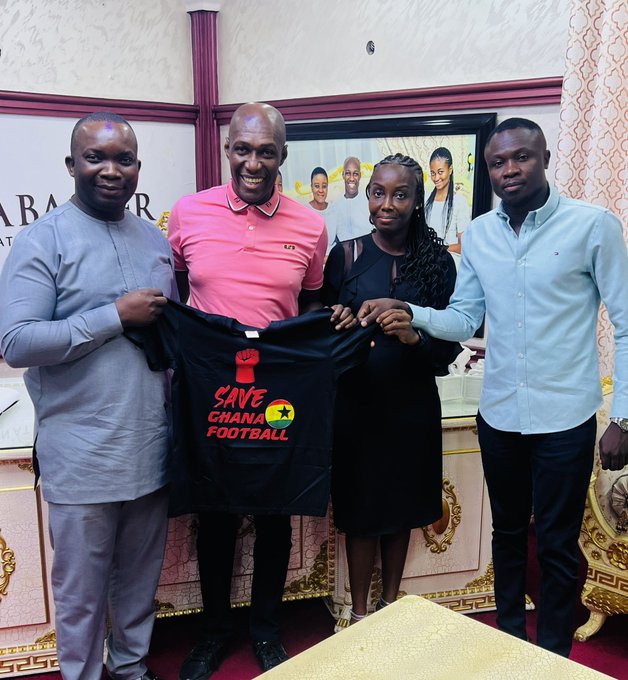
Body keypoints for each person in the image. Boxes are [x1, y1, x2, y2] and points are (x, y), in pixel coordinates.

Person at [358, 118, 628, 657]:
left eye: (521, 157)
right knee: (505, 536)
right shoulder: (479, 234)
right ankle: (508, 648)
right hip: (500, 414)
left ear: (544, 158)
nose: (509, 170)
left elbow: (625, 324)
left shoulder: (593, 226)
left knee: (556, 546)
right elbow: (464, 318)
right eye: (497, 162)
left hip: (565, 418)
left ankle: (550, 658)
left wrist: (623, 417)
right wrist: (411, 310)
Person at [167, 102, 355, 678]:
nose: (253, 162)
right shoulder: (188, 212)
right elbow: (179, 289)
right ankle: (213, 633)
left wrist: (331, 322)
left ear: (282, 156)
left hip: (277, 393)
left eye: (266, 151)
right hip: (212, 392)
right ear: (227, 150)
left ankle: (267, 631)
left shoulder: (310, 226)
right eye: (243, 149)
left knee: (276, 513)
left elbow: (312, 301)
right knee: (215, 516)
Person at [0, 112, 176, 680]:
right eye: (95, 157)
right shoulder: (41, 240)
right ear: (71, 164)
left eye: (123, 159)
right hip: (82, 456)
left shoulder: (154, 240)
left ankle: (131, 668)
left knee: (139, 582)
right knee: (80, 593)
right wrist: (112, 316)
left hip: (149, 446)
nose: (110, 170)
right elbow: (16, 342)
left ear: (138, 168)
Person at [322, 153, 461, 625]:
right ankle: (358, 615)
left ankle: (388, 608)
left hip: (411, 405)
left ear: (417, 200)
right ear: (367, 196)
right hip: (357, 404)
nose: (387, 204)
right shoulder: (346, 256)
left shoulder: (438, 264)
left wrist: (414, 338)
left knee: (400, 510)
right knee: (361, 512)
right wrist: (336, 319)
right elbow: (320, 331)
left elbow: (448, 349)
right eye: (378, 193)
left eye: (400, 195)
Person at [425, 146, 471, 253]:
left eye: (440, 172)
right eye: (433, 173)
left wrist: (437, 249)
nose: (436, 178)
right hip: (426, 258)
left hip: (449, 258)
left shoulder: (459, 202)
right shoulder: (425, 198)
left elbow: (464, 246)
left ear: (450, 170)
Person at [324, 155, 371, 243]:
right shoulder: (335, 206)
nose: (352, 178)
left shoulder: (369, 201)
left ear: (360, 176)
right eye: (348, 173)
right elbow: (330, 240)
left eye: (355, 174)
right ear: (343, 175)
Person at [307, 166, 334, 255]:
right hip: (313, 260)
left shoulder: (334, 210)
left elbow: (342, 241)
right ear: (311, 187)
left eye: (324, 186)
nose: (321, 190)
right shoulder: (304, 211)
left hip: (333, 258)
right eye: (317, 186)